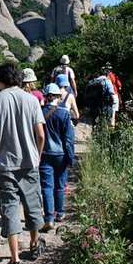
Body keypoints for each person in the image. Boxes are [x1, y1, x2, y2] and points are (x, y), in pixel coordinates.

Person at [0, 63, 46, 264]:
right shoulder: (32, 100)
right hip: (29, 162)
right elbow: (40, 135)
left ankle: (15, 260)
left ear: (0, 80)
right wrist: (37, 157)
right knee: (32, 204)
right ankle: (35, 243)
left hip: (4, 164)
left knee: (10, 208)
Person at [38, 84, 75, 233]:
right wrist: (70, 157)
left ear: (46, 96)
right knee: (60, 185)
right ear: (58, 97)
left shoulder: (39, 113)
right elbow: (68, 139)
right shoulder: (64, 114)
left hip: (44, 154)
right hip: (60, 155)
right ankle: (60, 213)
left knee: (47, 187)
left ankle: (48, 218)